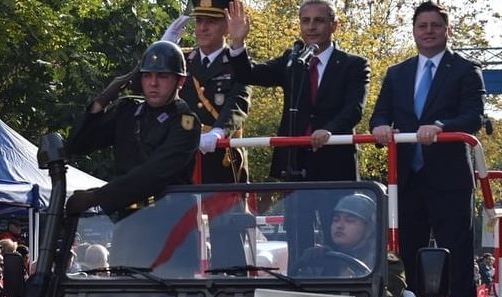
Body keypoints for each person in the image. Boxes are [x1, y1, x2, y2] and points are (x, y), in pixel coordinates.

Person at [227, 0, 369, 258]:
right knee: (297, 237)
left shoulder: (354, 64)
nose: (311, 27)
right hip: (295, 163)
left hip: (334, 164)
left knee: (337, 236)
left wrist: (329, 130)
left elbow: (354, 109)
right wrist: (237, 44)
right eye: (306, 21)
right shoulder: (292, 60)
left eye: (319, 20)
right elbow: (249, 74)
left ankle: (338, 289)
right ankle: (299, 290)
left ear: (333, 24)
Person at [370, 1, 485, 297]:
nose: (428, 31)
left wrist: (441, 126)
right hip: (407, 177)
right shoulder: (397, 74)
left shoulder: (465, 70)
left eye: (435, 25)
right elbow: (379, 115)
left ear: (448, 30)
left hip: (449, 180)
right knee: (408, 253)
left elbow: (473, 116)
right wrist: (381, 128)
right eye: (422, 26)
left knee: (456, 254)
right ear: (413, 31)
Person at [65, 40, 200, 215]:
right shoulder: (127, 112)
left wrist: (96, 197)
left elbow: (154, 174)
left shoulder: (186, 123)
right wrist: (104, 98)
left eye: (162, 76)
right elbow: (77, 144)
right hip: (129, 220)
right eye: (147, 75)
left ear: (180, 81)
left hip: (170, 222)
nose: (153, 83)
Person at [162, 0, 251, 183]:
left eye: (211, 22)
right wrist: (162, 52)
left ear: (227, 26)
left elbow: (239, 101)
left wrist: (218, 131)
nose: (202, 28)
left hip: (221, 157)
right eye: (199, 21)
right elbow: (144, 88)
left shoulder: (238, 64)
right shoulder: (182, 61)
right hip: (182, 157)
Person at [294, 193, 376, 276]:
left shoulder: (381, 263)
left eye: (349, 220)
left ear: (369, 229)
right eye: (336, 219)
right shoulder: (319, 260)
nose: (339, 225)